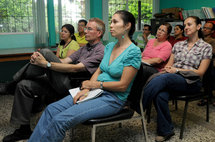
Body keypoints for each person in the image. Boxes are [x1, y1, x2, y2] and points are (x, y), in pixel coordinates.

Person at [28, 10, 141, 142]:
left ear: (127, 26)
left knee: (61, 120)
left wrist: (94, 84)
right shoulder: (110, 46)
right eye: (111, 22)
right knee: (51, 109)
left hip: (113, 98)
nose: (111, 25)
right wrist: (87, 90)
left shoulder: (133, 51)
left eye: (115, 22)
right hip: (96, 91)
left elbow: (123, 86)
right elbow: (99, 71)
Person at [2, 18, 106, 142]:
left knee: (45, 51)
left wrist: (46, 64)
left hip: (73, 87)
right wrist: (40, 60)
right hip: (60, 81)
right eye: (85, 28)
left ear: (99, 33)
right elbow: (63, 61)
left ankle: (9, 85)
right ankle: (23, 130)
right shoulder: (84, 49)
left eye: (89, 28)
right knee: (24, 85)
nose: (84, 30)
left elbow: (75, 68)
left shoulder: (101, 51)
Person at [142, 16, 212, 142]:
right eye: (185, 25)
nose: (186, 27)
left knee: (164, 79)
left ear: (198, 26)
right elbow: (169, 64)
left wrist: (177, 70)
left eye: (189, 24)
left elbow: (200, 72)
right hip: (173, 78)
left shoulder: (206, 47)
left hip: (191, 82)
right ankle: (166, 130)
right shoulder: (178, 45)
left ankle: (139, 107)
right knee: (160, 94)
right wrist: (168, 69)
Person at [197, 22, 215, 106]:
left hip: (210, 63)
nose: (205, 29)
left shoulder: (213, 41)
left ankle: (207, 96)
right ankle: (207, 95)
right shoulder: (199, 40)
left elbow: (211, 54)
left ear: (212, 31)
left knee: (209, 70)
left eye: (208, 28)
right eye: (204, 27)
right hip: (198, 62)